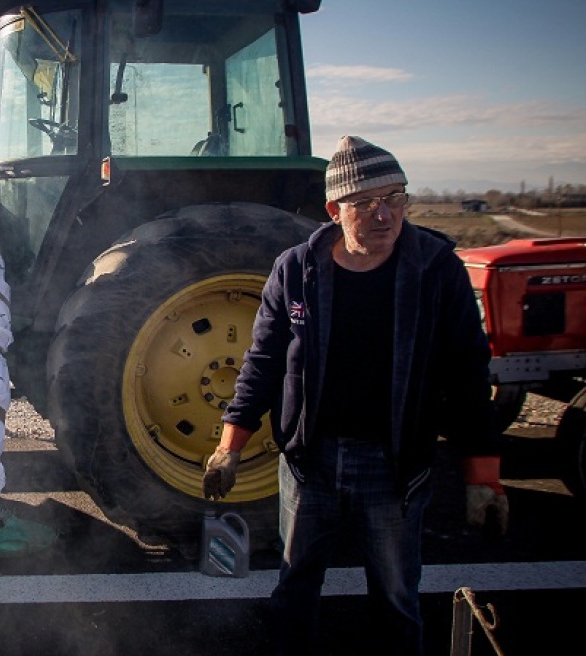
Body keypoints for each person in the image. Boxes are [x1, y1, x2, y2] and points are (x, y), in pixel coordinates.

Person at [202, 136, 510, 655]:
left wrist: (484, 480)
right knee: (295, 588)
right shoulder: (296, 270)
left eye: (395, 198)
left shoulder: (436, 271)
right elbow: (263, 362)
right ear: (334, 210)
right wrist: (229, 445)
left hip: (393, 466)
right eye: (365, 204)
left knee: (394, 597)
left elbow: (468, 378)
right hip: (310, 462)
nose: (384, 215)